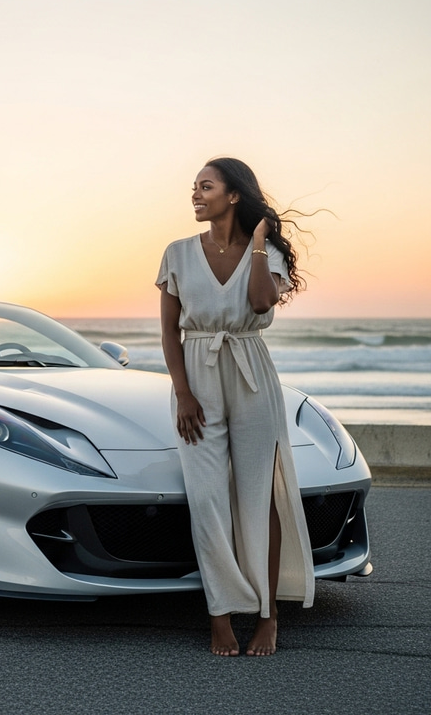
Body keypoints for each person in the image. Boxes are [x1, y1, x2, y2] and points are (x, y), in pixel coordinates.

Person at [156, 157, 314, 657]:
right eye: (194, 187)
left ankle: (268, 615)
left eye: (206, 186)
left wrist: (261, 243)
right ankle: (220, 614)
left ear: (234, 195)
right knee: (207, 500)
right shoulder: (178, 253)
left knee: (257, 498)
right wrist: (183, 392)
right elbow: (169, 332)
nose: (195, 194)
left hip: (251, 375)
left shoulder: (265, 253)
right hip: (197, 377)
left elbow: (262, 303)